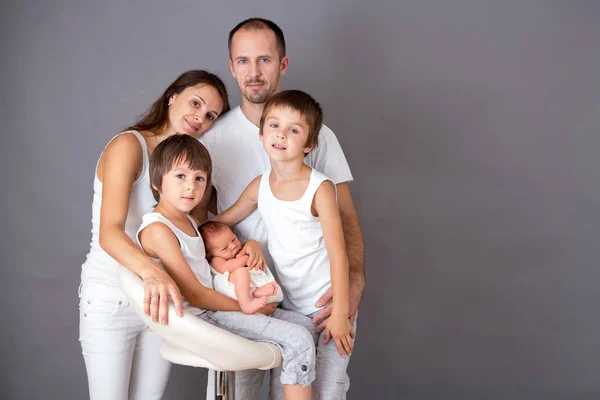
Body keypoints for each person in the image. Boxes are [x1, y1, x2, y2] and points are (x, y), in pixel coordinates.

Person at [196, 18, 365, 399]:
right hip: (250, 297)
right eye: (243, 61)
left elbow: (346, 224)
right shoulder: (214, 139)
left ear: (282, 64)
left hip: (316, 300)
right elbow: (206, 222)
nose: (253, 72)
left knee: (317, 390)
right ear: (232, 66)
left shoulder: (318, 140)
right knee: (239, 393)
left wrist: (354, 286)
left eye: (264, 60)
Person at [78, 70, 237, 400]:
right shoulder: (129, 146)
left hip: (162, 303)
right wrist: (152, 274)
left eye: (211, 115)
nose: (200, 118)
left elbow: (197, 237)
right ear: (171, 97)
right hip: (113, 297)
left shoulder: (191, 171)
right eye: (195, 103)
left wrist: (242, 249)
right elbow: (110, 232)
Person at [137, 134, 315, 400]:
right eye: (181, 176)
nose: (191, 187)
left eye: (199, 179)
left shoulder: (191, 224)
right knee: (298, 339)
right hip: (203, 317)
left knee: (306, 326)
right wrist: (248, 307)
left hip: (221, 306)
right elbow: (195, 294)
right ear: (157, 183)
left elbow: (220, 260)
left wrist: (252, 244)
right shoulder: (159, 229)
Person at [199, 220, 283, 314]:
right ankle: (246, 304)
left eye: (234, 239)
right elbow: (225, 267)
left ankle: (257, 294)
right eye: (225, 248)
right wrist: (245, 259)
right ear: (210, 255)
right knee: (241, 272)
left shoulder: (240, 249)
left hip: (247, 288)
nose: (233, 246)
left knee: (267, 281)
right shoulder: (216, 260)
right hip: (230, 290)